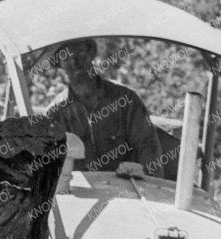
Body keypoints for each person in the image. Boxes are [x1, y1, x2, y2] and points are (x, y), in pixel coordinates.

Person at [41, 38, 167, 175]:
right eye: (66, 58)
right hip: (80, 192)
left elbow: (148, 149)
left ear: (91, 53)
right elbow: (46, 168)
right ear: (59, 64)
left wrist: (146, 177)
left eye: (80, 54)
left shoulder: (126, 100)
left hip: (128, 190)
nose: (75, 63)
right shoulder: (55, 112)